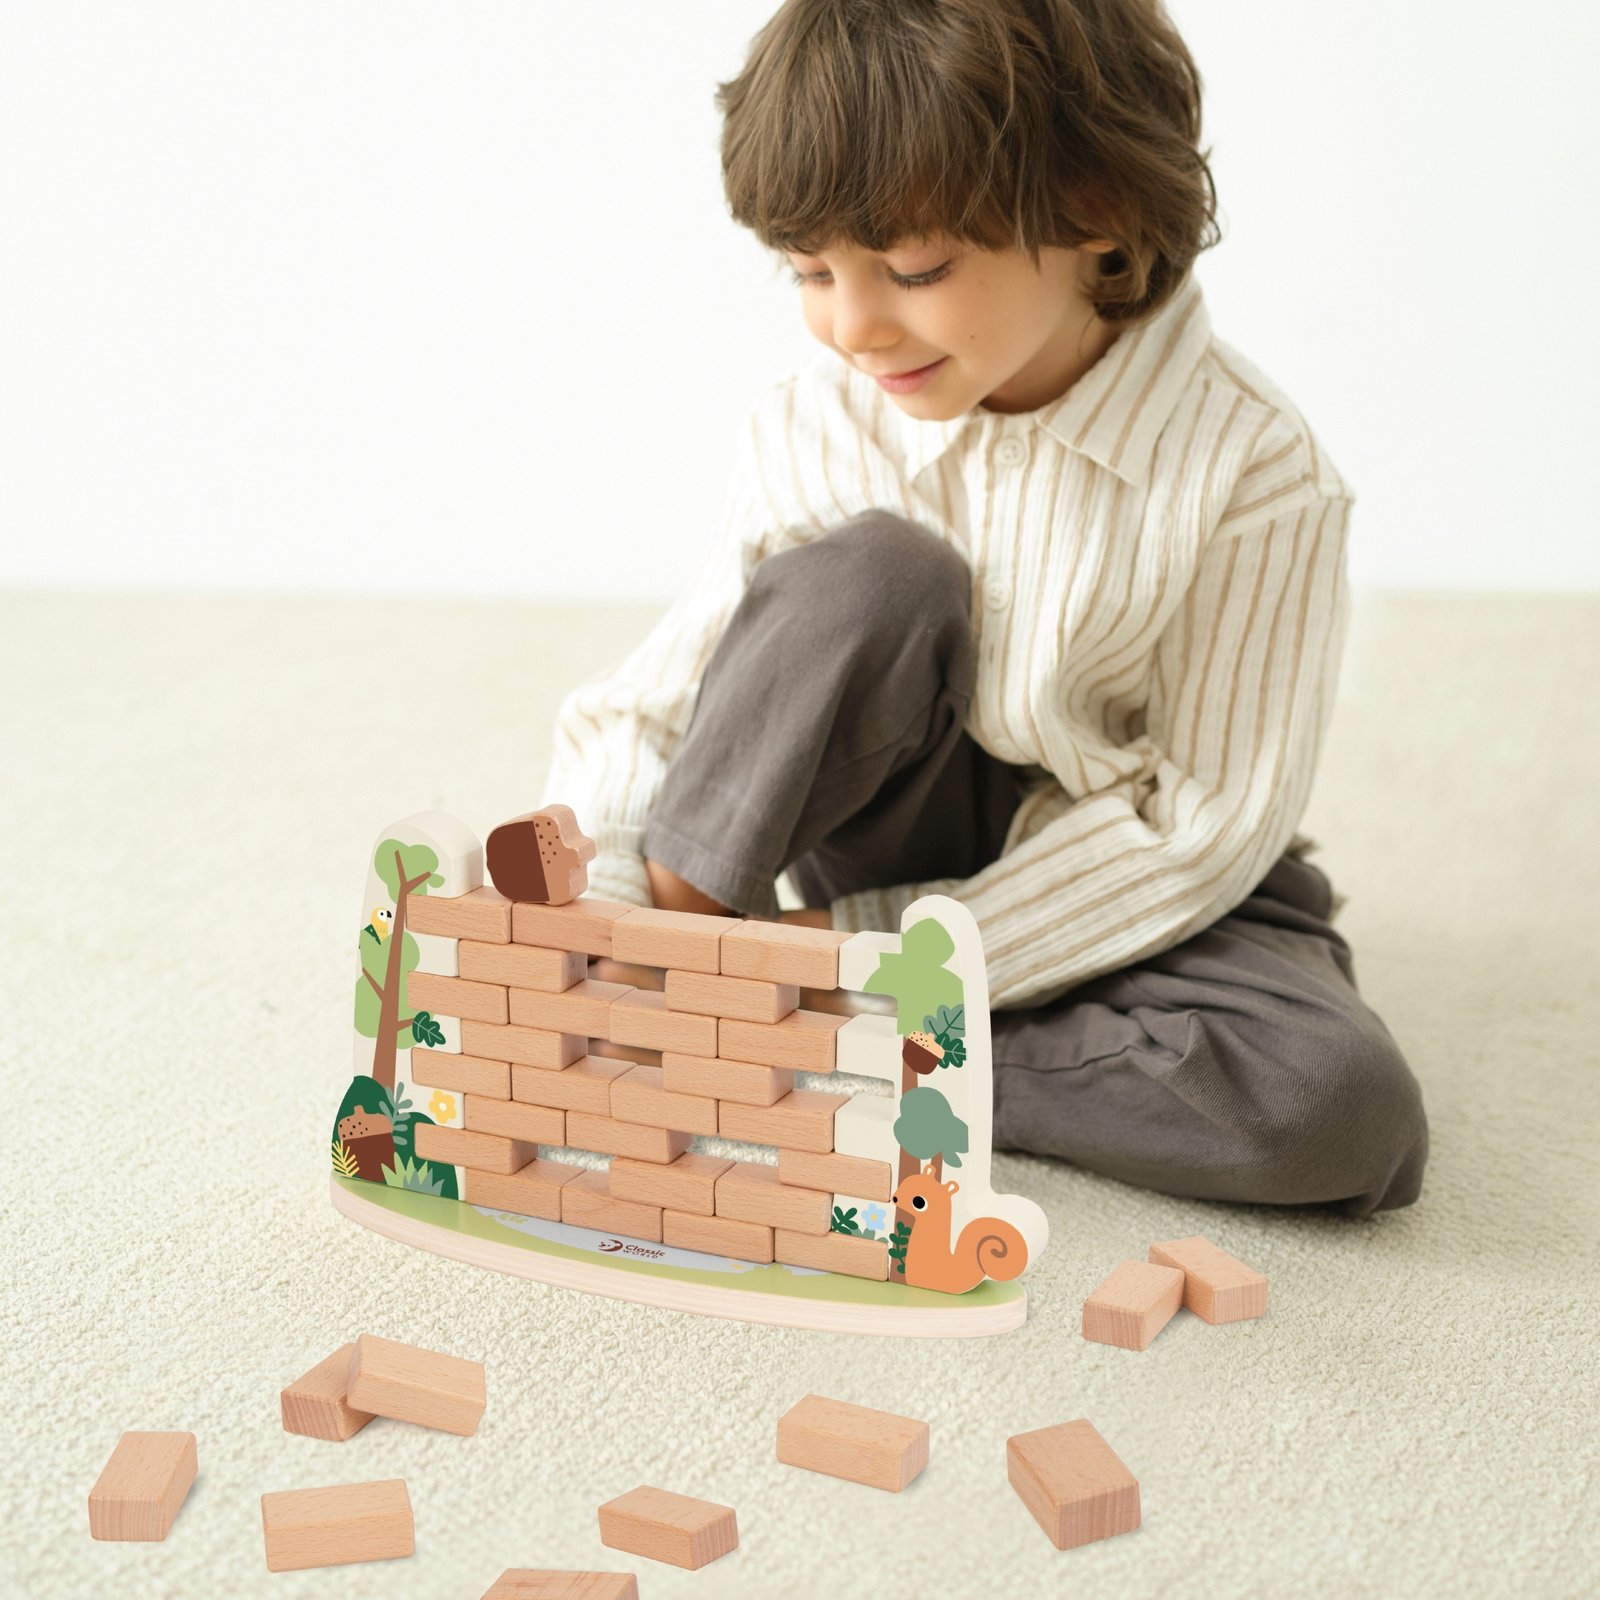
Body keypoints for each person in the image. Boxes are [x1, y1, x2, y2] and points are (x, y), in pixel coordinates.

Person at [539, 0, 1428, 1215]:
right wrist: (600, 896)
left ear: (1096, 212)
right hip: (894, 812)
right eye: (810, 273)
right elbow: (664, 700)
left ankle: (790, 1025)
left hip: (1134, 882)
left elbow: (1200, 829)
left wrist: (858, 961)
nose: (853, 327)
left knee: (1336, 1105)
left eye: (913, 271)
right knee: (874, 575)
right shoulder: (815, 422)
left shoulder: (1255, 473)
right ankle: (674, 960)